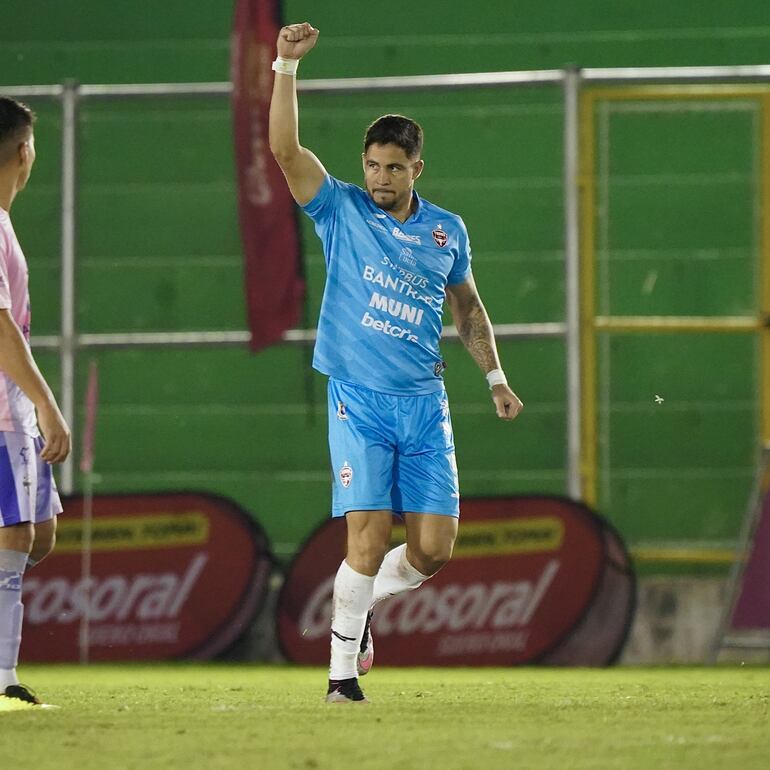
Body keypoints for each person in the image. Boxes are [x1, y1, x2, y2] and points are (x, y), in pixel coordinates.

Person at [269, 23, 523, 704]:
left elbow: (468, 309)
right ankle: (341, 676)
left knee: (434, 549)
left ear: (417, 170)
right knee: (366, 537)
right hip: (358, 397)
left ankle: (363, 607)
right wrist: (285, 67)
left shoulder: (447, 230)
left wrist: (494, 377)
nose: (380, 179)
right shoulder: (340, 209)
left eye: (394, 168)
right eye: (373, 165)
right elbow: (285, 149)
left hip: (425, 403)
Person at [0, 97, 71, 710]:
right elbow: (1, 329)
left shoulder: (3, 220)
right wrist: (47, 402)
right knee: (17, 534)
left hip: (11, 410)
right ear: (25, 152)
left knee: (39, 535)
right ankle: (4, 679)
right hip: (3, 412)